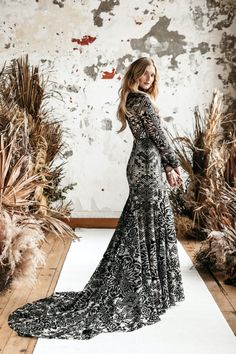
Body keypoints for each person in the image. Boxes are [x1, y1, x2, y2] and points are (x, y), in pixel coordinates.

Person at [8, 56, 185, 340]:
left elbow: (153, 138)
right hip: (146, 168)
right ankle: (145, 287)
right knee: (145, 223)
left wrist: (166, 166)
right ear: (136, 76)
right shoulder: (142, 102)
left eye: (153, 74)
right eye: (145, 74)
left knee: (143, 222)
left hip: (143, 165)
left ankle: (149, 284)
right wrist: (174, 165)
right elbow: (159, 136)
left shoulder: (133, 100)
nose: (150, 78)